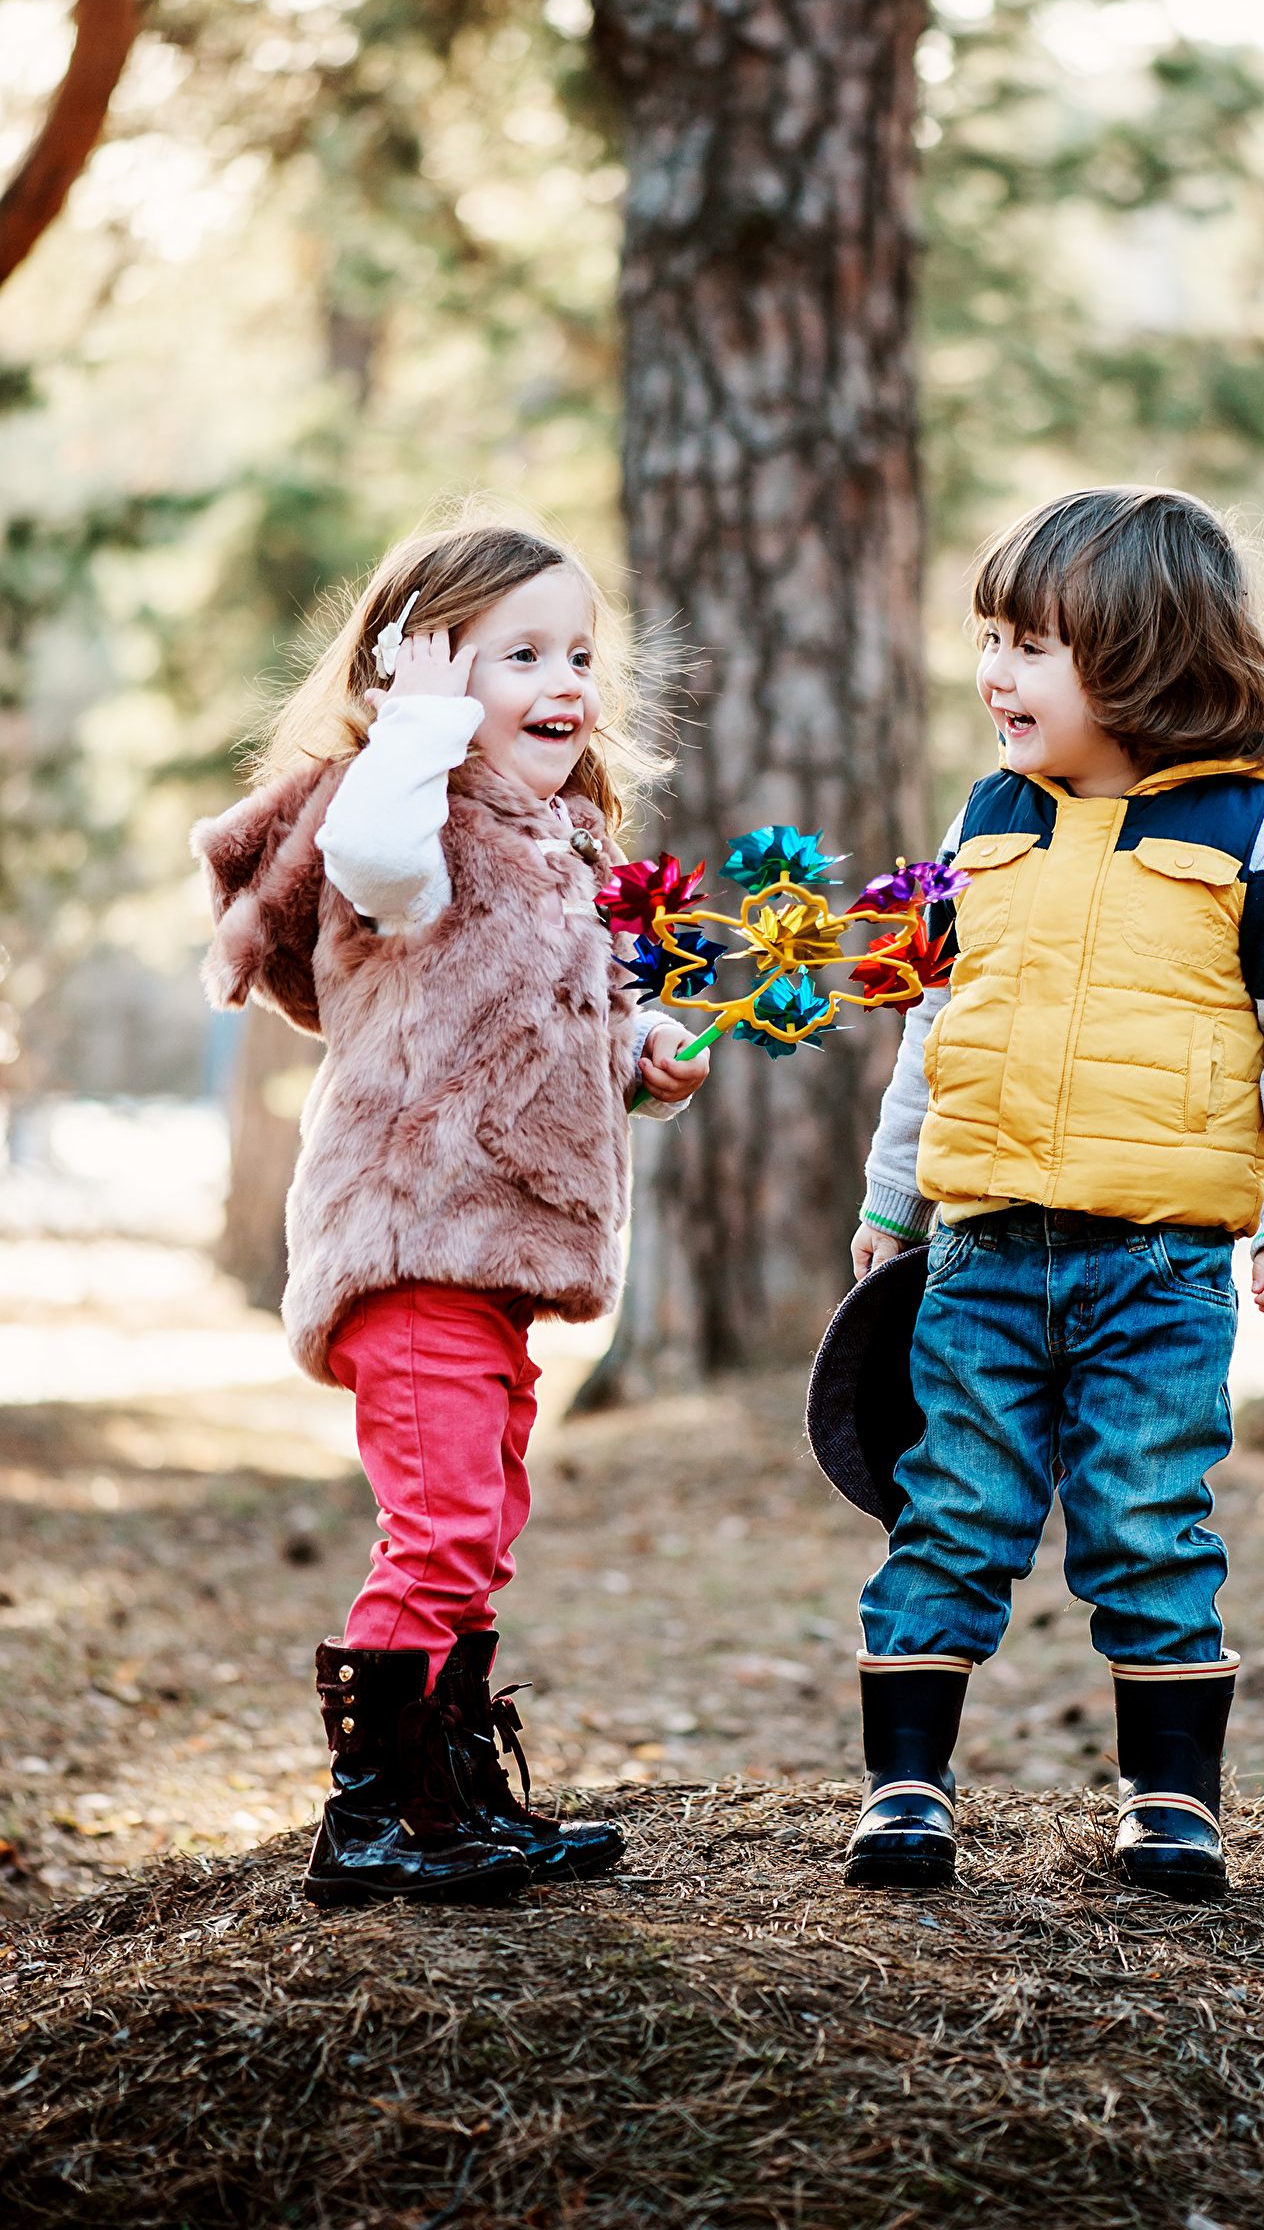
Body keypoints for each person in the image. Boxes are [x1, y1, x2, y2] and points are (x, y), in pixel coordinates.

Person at [842, 487, 1264, 1902]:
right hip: (982, 1253)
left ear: (1140, 660)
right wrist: (893, 1205)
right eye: (989, 639)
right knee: (948, 1508)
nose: (993, 674)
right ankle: (904, 1791)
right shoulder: (987, 823)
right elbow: (932, 1025)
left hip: (1160, 1269)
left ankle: (1171, 1803)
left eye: (1030, 646)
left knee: (1144, 1515)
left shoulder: (1254, 833)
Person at [193, 516, 708, 1907]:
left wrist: (641, 1056)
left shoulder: (556, 845)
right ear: (414, 682)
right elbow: (375, 860)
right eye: (520, 654)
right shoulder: (397, 822)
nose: (566, 681)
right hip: (412, 1237)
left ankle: (450, 1789)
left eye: (580, 654)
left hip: (500, 1252)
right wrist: (409, 728)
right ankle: (368, 1820)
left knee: (476, 1521)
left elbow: (541, 1033)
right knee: (437, 1523)